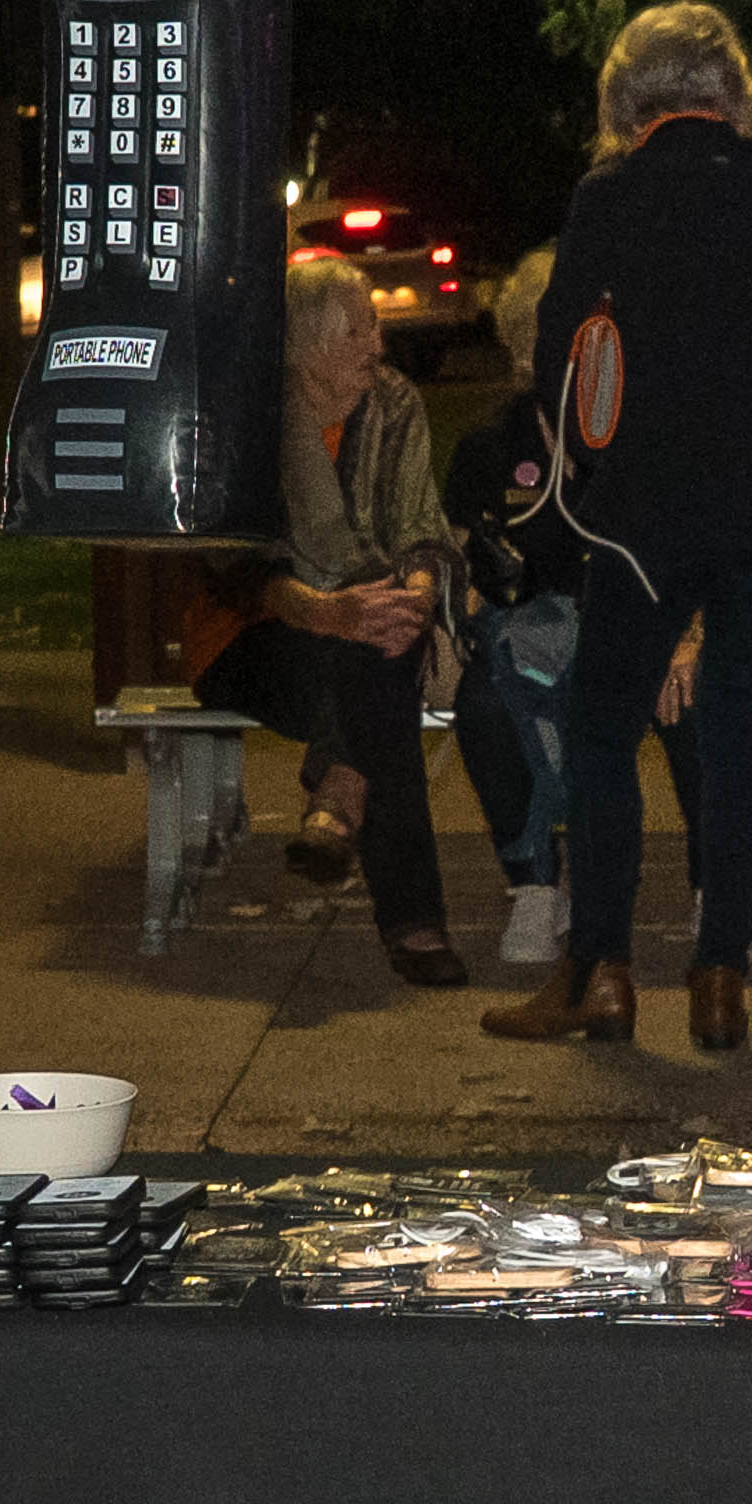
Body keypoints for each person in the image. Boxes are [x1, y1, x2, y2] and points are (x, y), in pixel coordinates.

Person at [495, 8, 752, 1057]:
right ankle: (719, 979)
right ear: (732, 93)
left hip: (644, 521)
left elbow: (561, 364)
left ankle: (601, 970)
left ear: (625, 101)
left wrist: (616, 459)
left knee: (603, 728)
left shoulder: (606, 200)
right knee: (740, 731)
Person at [213, 249, 471, 986]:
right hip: (258, 636)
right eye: (358, 331)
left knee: (378, 653)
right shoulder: (251, 418)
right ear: (306, 341)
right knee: (373, 666)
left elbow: (422, 527)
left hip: (372, 623)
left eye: (375, 329)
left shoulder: (395, 404)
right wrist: (332, 610)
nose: (378, 346)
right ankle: (411, 918)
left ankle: (340, 797)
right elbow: (235, 572)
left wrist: (416, 595)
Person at [453, 249, 584, 979]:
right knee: (484, 704)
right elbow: (463, 560)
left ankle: (709, 888)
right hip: (521, 640)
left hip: (619, 632)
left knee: (686, 692)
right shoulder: (488, 447)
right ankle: (535, 880)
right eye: (544, 333)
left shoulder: (627, 436)